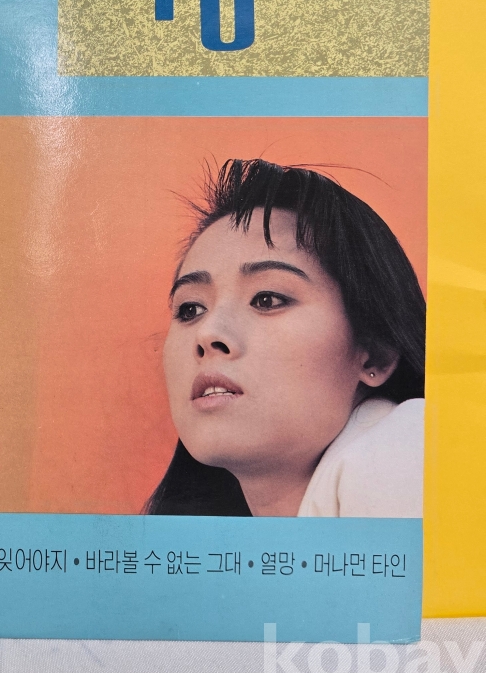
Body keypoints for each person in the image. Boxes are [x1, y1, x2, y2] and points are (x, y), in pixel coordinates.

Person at [143, 159, 425, 518]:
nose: (208, 333)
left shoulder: (409, 444)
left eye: (267, 300)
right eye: (190, 309)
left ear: (375, 354)